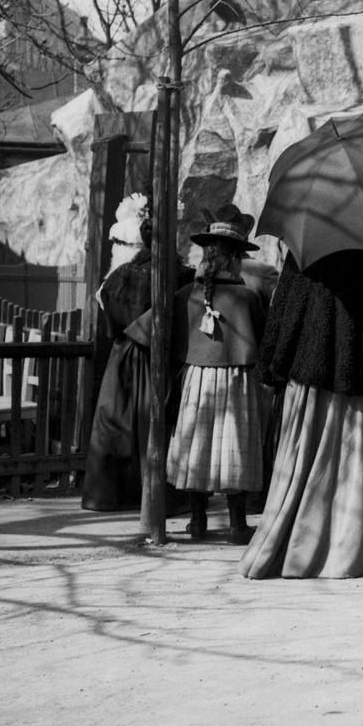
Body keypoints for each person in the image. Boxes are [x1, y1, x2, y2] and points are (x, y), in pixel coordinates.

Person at [240, 249, 363, 578]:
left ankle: (303, 546)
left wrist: (275, 365)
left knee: (311, 462)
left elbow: (286, 310)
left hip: (314, 376)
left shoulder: (304, 251)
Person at [138, 205, 268, 543]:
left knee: (197, 446)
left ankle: (198, 522)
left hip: (197, 380)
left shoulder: (186, 296)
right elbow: (264, 339)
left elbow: (151, 332)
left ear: (207, 255)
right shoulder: (247, 298)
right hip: (237, 381)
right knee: (235, 447)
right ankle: (237, 525)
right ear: (237, 258)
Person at [82, 198, 192, 512]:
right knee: (158, 424)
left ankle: (112, 495)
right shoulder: (180, 275)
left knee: (117, 424)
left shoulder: (118, 277)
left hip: (123, 359)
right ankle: (160, 497)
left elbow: (108, 319)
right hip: (163, 359)